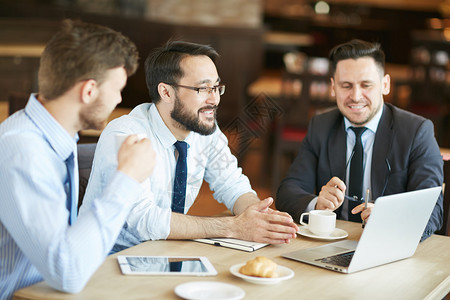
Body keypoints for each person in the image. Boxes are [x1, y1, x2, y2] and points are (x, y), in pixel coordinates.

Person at [81, 40, 298, 252]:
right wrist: (233, 227)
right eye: (203, 89)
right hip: (107, 260)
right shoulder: (126, 135)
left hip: (164, 254)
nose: (214, 99)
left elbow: (233, 184)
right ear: (166, 92)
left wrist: (258, 217)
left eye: (216, 87)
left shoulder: (204, 130)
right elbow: (144, 220)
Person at [0, 20, 156, 299]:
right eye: (118, 89)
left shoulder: (56, 137)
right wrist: (127, 177)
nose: (119, 98)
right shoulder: (23, 151)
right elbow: (67, 271)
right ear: (89, 91)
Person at [276, 39, 443, 241]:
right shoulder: (320, 126)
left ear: (385, 85)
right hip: (330, 245)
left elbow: (433, 209)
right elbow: (288, 191)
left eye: (366, 85)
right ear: (333, 87)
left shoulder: (417, 131)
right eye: (346, 85)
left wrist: (389, 220)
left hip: (389, 247)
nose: (355, 96)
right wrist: (317, 204)